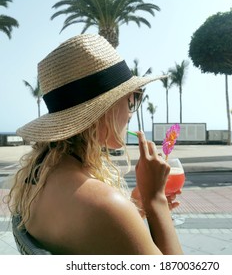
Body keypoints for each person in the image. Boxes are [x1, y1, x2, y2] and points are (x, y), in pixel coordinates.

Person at [7, 34, 183, 255]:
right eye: (131, 98)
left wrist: (136, 203)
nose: (130, 112)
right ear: (105, 108)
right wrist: (156, 202)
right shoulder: (104, 204)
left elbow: (96, 238)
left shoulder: (38, 175)